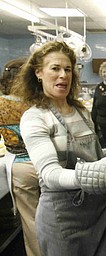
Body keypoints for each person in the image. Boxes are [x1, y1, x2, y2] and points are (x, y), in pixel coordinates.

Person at [12, 41, 106, 256]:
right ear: (39, 73)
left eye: (68, 69)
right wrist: (92, 176)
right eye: (55, 68)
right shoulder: (35, 117)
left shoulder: (81, 111)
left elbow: (91, 156)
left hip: (101, 212)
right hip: (64, 219)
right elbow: (50, 174)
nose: (63, 75)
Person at [0, 58, 41, 256]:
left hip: (21, 166)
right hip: (48, 163)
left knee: (31, 220)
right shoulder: (40, 102)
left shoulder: (2, 104)